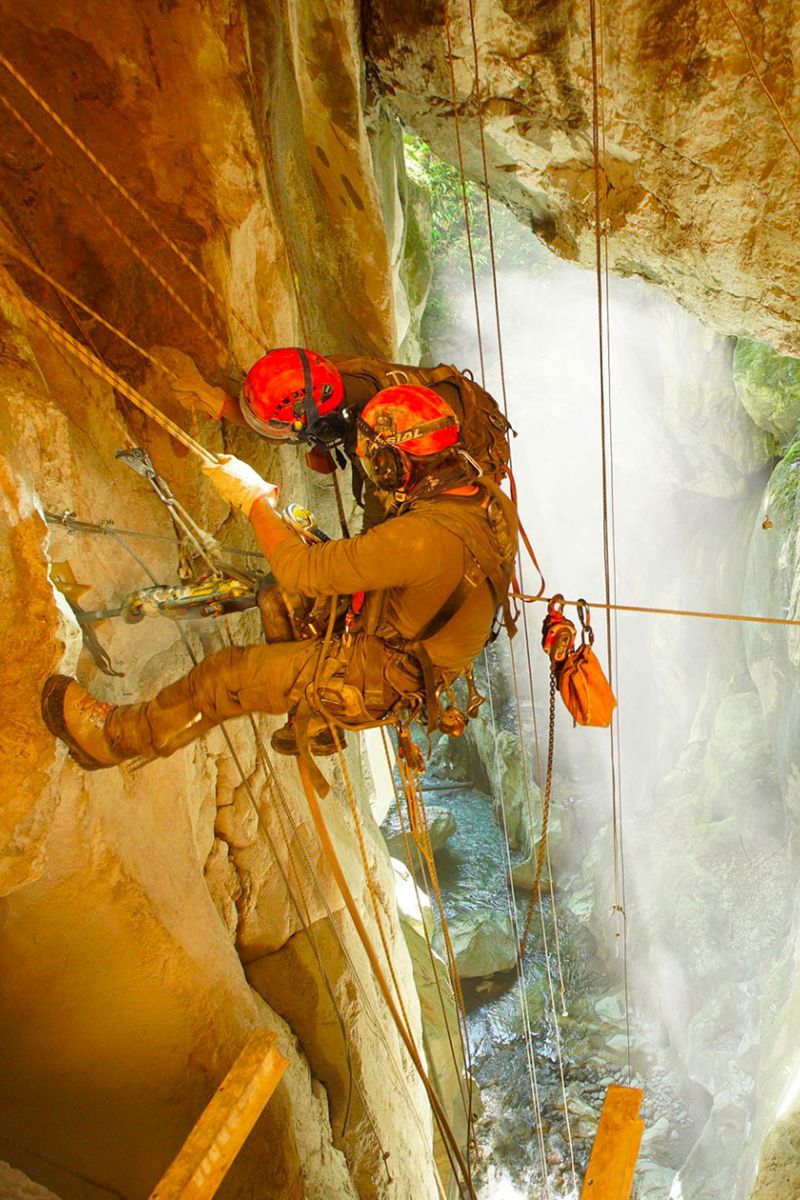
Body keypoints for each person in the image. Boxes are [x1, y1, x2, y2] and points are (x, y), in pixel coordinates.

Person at [42, 386, 519, 769]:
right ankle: (312, 717)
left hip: (385, 673)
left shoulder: (423, 537)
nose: (376, 477)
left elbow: (302, 569)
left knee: (224, 676)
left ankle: (112, 740)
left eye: (378, 464)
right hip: (416, 636)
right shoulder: (482, 498)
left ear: (396, 463)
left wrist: (255, 501)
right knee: (276, 594)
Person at [171, 347, 511, 530]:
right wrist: (219, 402)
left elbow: (380, 523)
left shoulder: (381, 435)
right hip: (443, 407)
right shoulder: (319, 377)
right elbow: (288, 421)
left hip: (473, 440)